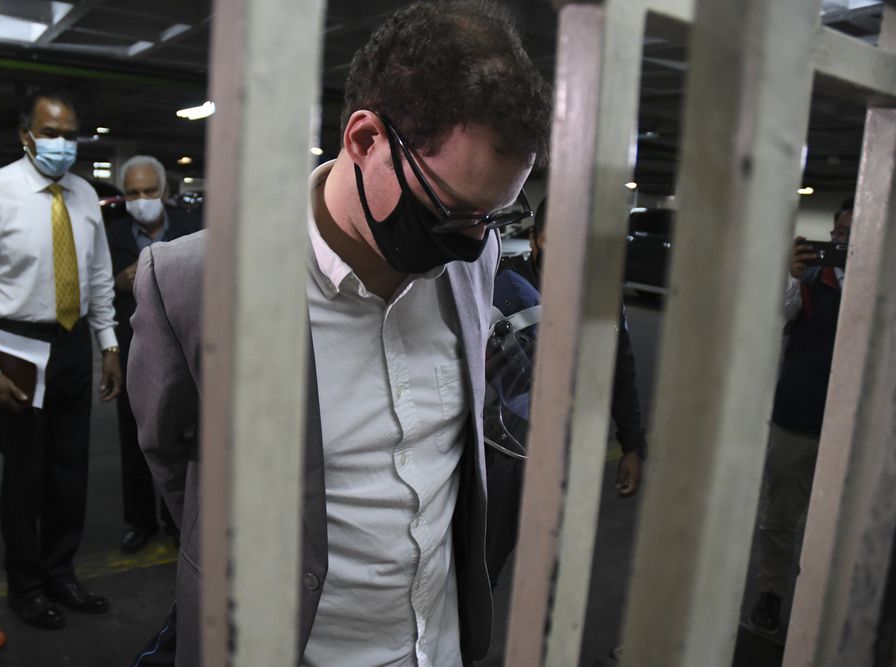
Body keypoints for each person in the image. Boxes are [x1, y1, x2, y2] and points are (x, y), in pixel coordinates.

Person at [127, 2, 551, 665]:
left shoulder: (474, 258)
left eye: (492, 216)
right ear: (365, 139)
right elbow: (172, 454)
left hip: (437, 644)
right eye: (452, 211)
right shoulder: (193, 282)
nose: (473, 244)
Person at [0, 89, 120, 630]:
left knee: (70, 471)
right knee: (26, 476)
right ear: (26, 135)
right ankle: (25, 587)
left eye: (70, 136)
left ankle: (60, 573)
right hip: (15, 346)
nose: (62, 144)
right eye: (50, 134)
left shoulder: (85, 195)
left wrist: (108, 343)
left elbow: (97, 276)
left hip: (71, 343)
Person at [749, 196, 854, 636]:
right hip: (798, 417)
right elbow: (771, 318)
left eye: (854, 235)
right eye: (840, 233)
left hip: (853, 432)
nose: (844, 242)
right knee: (780, 516)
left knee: (838, 524)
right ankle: (771, 591)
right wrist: (790, 276)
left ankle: (823, 604)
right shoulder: (811, 278)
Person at [499, 199, 647, 494]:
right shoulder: (501, 285)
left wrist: (632, 446)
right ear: (534, 240)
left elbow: (619, 371)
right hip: (500, 453)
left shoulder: (602, 299)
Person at [107, 155, 199, 554]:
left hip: (184, 346)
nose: (141, 200)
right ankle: (140, 521)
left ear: (164, 191)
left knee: (182, 437)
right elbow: (95, 287)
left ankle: (179, 521)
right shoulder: (112, 234)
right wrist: (119, 281)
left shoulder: (191, 227)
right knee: (134, 439)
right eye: (132, 193)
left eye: (148, 191)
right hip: (134, 349)